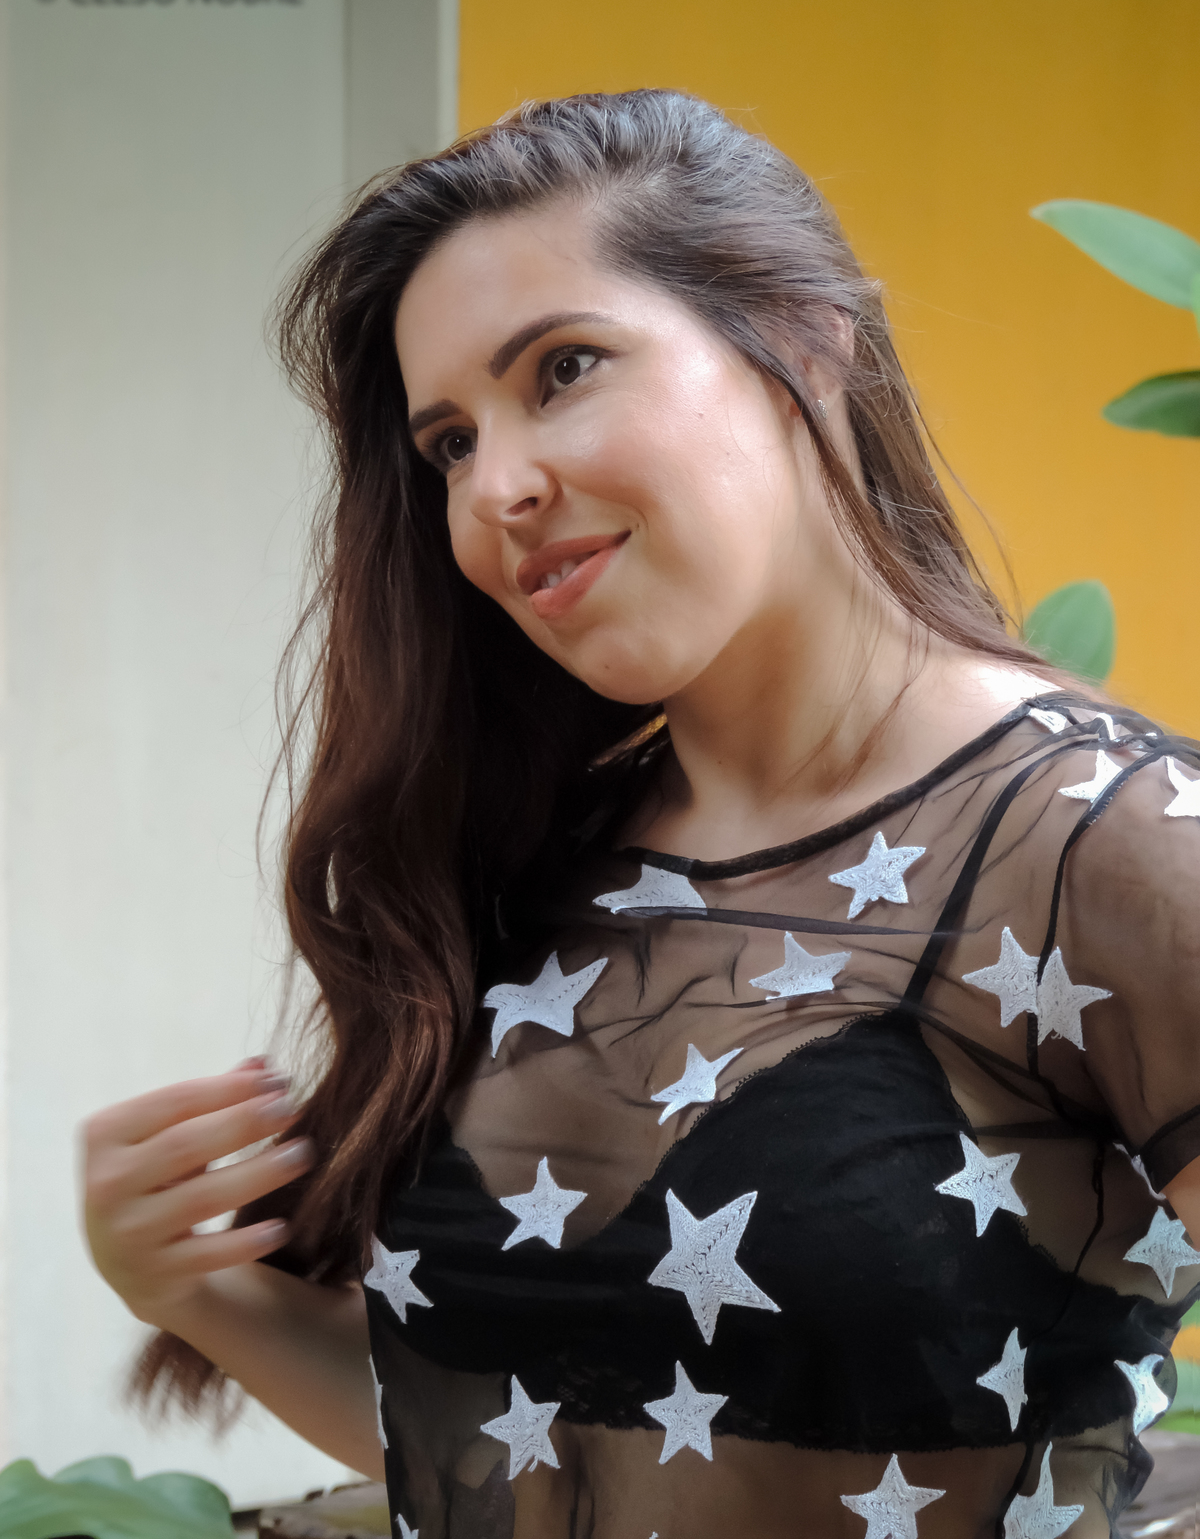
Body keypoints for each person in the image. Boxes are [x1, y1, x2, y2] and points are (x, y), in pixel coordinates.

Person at [83, 90, 1200, 1537]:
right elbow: (511, 1435)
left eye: (563, 370)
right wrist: (193, 1292)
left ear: (805, 342)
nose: (497, 486)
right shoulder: (534, 856)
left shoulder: (1112, 840)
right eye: (449, 444)